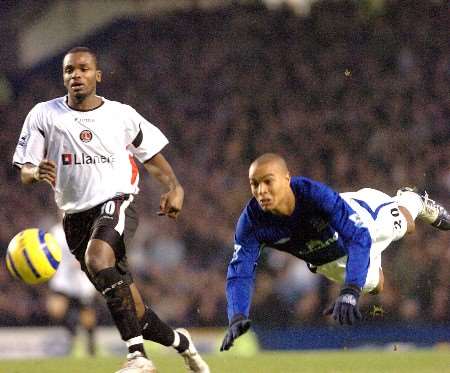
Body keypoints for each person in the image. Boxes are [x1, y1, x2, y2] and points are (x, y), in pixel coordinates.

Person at [13, 46, 209, 373]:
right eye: (69, 70)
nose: (76, 75)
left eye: (84, 69)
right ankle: (183, 344)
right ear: (63, 77)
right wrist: (34, 172)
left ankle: (137, 356)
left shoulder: (121, 115)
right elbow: (25, 169)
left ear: (97, 75)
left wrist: (175, 187)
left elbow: (152, 157)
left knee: (97, 258)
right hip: (74, 221)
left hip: (116, 202)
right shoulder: (44, 115)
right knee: (136, 311)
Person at [220, 153, 450, 351]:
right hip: (330, 262)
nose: (261, 191)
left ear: (286, 179)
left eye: (268, 182)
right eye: (254, 184)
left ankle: (413, 200)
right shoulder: (251, 223)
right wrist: (237, 315)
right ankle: (362, 269)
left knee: (406, 225)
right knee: (377, 285)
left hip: (363, 224)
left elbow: (359, 237)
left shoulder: (313, 196)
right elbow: (240, 271)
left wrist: (350, 290)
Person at [46, 221, 98, 356]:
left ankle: (90, 345)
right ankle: (71, 335)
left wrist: (83, 259)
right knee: (56, 310)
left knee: (87, 318)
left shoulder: (86, 229)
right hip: (62, 279)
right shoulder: (55, 231)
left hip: (82, 281)